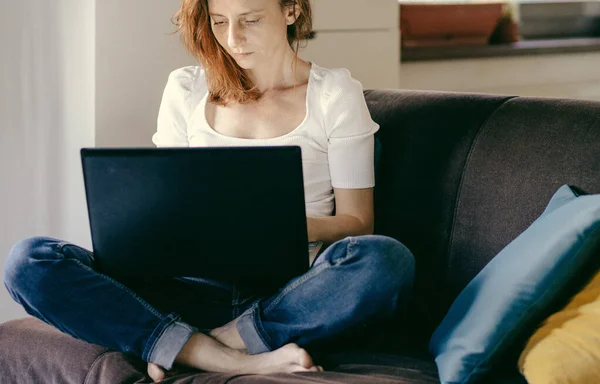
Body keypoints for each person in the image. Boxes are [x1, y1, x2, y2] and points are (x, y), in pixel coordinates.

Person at [3, 0, 415, 381]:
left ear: (291, 10)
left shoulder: (333, 94)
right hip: (183, 284)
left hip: (286, 295)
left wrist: (278, 226)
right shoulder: (186, 89)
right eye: (220, 22)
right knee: (28, 261)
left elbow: (359, 223)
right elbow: (165, 204)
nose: (233, 38)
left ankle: (195, 340)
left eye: (250, 20)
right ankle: (217, 355)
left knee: (387, 259)